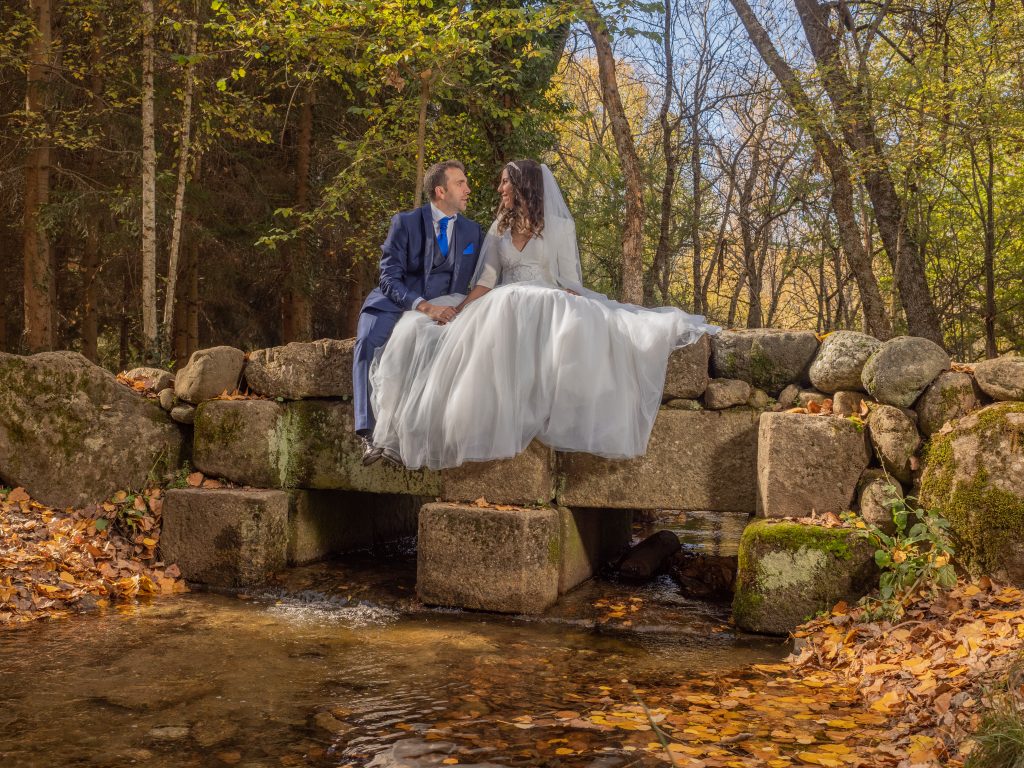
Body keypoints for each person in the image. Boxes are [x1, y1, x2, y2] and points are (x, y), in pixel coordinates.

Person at [369, 159, 720, 470]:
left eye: (505, 181)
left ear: (524, 186)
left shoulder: (559, 227)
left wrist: (576, 299)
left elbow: (569, 279)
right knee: (486, 315)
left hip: (546, 295)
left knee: (567, 318)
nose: (499, 188)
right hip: (504, 299)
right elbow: (488, 280)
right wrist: (459, 310)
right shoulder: (499, 227)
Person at [353, 160, 484, 465]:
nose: (468, 189)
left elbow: (485, 275)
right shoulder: (406, 223)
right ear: (441, 191)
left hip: (447, 306)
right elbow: (388, 278)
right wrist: (423, 306)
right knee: (369, 342)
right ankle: (368, 434)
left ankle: (416, 436)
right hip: (396, 301)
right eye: (460, 184)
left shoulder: (473, 232)